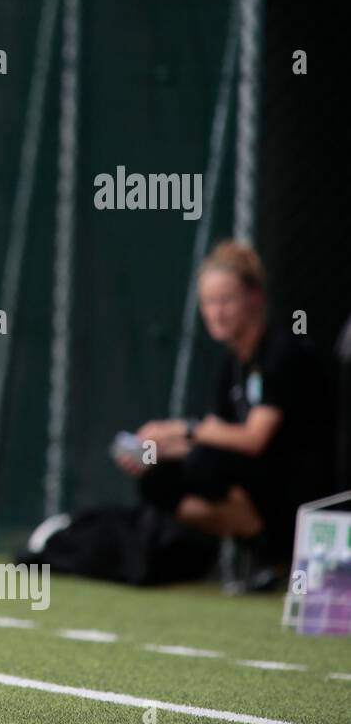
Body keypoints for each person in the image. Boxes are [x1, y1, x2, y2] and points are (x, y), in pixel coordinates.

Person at [121, 240, 336, 583]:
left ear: (254, 298)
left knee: (205, 463)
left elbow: (252, 439)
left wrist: (183, 428)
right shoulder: (231, 365)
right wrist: (153, 450)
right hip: (252, 475)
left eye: (226, 301)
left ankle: (281, 547)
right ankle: (266, 549)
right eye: (209, 302)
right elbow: (217, 436)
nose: (216, 312)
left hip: (302, 484)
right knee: (157, 481)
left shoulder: (283, 352)